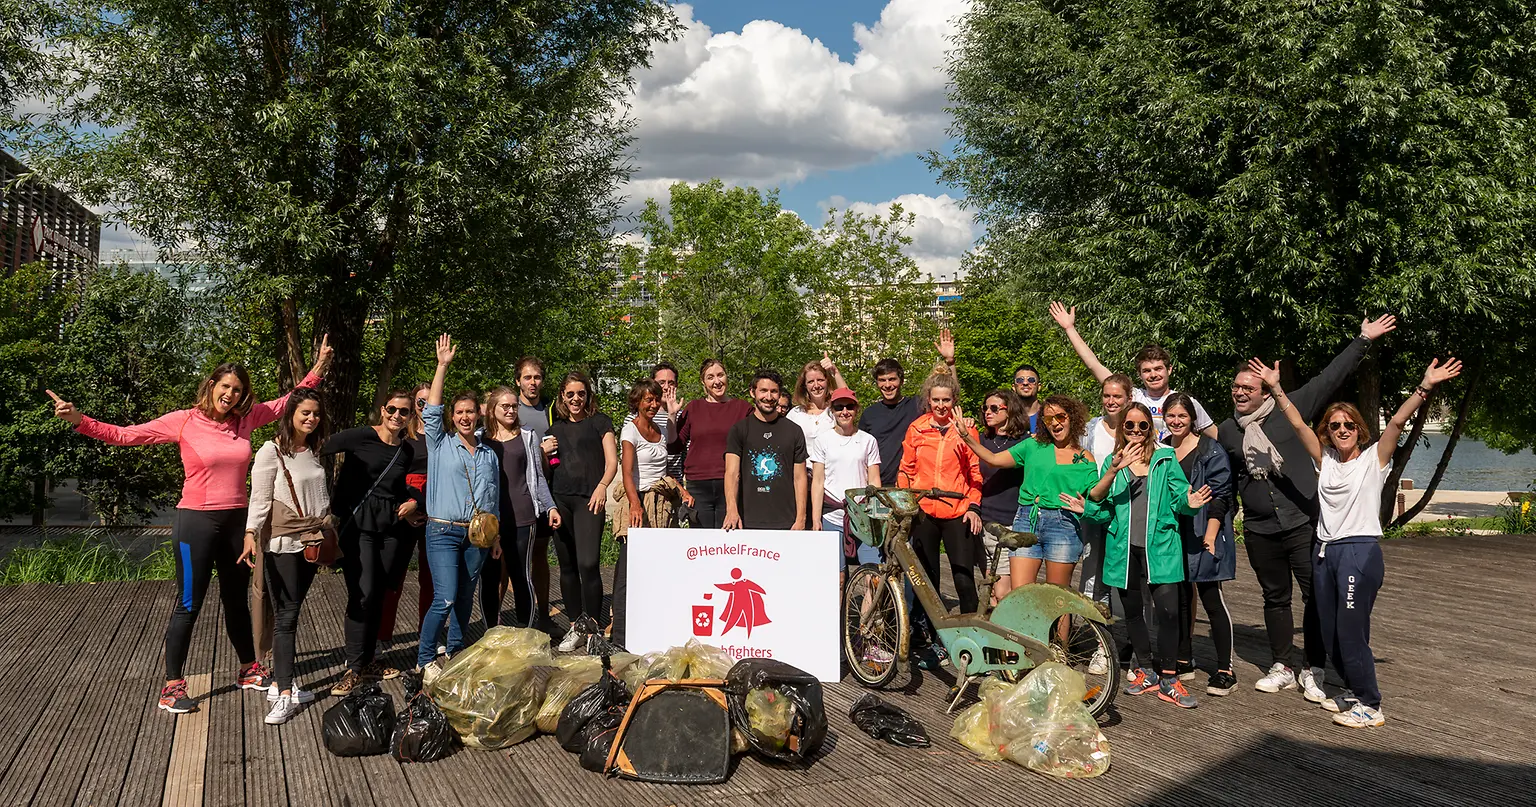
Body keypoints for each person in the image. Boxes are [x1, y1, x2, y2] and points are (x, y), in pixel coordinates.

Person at [49, 338, 332, 714]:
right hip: (195, 521)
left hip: (236, 521)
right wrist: (79, 421)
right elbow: (127, 434)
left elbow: (289, 402)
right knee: (189, 603)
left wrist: (319, 366)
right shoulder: (183, 421)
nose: (230, 395)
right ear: (211, 385)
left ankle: (248, 669)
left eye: (237, 389)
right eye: (225, 387)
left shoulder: (245, 421)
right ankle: (172, 686)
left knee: (236, 599)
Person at [1251, 355, 1461, 728]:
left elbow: (1397, 422)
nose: (1342, 429)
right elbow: (1298, 423)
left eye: (1348, 424)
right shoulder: (1326, 460)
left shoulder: (1373, 459)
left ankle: (1370, 704)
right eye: (1335, 425)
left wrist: (1425, 386)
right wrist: (1275, 388)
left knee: (1350, 631)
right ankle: (1351, 689)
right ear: (1327, 432)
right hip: (1324, 552)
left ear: (1359, 429)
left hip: (1358, 552)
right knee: (1330, 632)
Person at [1219, 315, 1396, 698]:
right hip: (1260, 528)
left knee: (1315, 594)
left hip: (1303, 522)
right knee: (1274, 597)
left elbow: (1331, 377)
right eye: (1235, 387)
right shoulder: (1228, 430)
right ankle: (1282, 663)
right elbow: (1228, 480)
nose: (1240, 392)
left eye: (1249, 386)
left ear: (1265, 391)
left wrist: (1363, 339)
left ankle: (1314, 666)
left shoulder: (1290, 408)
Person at [1078, 402, 1211, 709]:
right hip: (1123, 549)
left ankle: (1169, 677)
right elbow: (1099, 498)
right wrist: (1113, 471)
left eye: (1142, 426)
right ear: (1122, 428)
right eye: (1130, 426)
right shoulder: (1114, 460)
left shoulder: (1165, 458)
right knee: (1133, 613)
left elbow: (1180, 499)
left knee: (1168, 613)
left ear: (1150, 429)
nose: (1136, 431)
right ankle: (1147, 671)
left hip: (1161, 548)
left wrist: (1191, 502)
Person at [962, 394, 1097, 641]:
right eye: (1048, 418)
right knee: (1020, 595)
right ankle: (1023, 653)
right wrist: (966, 437)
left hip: (1063, 524)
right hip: (1027, 520)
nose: (1055, 422)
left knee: (1058, 598)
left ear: (1072, 418)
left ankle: (1059, 655)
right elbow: (993, 459)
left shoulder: (1085, 457)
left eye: (1060, 416)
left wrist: (1106, 479)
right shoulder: (1033, 446)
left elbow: (1096, 497)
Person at [321, 389, 421, 695]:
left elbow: (402, 488)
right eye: (392, 409)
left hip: (390, 527)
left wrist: (414, 502)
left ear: (409, 417)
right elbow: (319, 447)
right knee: (361, 595)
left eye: (404, 412)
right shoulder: (362, 436)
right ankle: (354, 668)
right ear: (382, 409)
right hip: (359, 526)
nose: (396, 416)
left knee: (380, 593)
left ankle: (370, 660)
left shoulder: (406, 450)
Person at [241, 388, 329, 724]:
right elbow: (260, 499)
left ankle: (282, 682)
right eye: (305, 413)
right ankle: (285, 692)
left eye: (316, 414)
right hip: (283, 545)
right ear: (290, 413)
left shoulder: (312, 449)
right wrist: (251, 533)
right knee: (286, 616)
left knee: (291, 613)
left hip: (312, 541)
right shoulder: (271, 451)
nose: (311, 419)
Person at [416, 335, 500, 678]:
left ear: (478, 416)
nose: (465, 417)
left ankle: (455, 650)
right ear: (452, 416)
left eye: (470, 412)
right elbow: (431, 411)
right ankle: (424, 658)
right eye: (459, 412)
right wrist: (442, 366)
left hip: (477, 535)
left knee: (466, 597)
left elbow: (493, 499)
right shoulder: (439, 444)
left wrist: (495, 538)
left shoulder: (488, 454)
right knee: (446, 597)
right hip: (443, 530)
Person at [1049, 302, 1217, 441]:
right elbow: (1094, 365)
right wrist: (1069, 328)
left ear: (1170, 370)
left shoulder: (1186, 402)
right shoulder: (1133, 397)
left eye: (1158, 369)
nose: (1153, 375)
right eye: (1147, 370)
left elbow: (1215, 436)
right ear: (1139, 374)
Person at [1165, 393, 1239, 696]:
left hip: (1203, 531)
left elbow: (1222, 496)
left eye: (1182, 416)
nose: (1176, 421)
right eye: (1171, 416)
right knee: (1180, 597)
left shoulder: (1211, 450)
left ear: (1193, 418)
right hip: (1173, 534)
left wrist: (1210, 534)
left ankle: (1225, 669)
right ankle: (1184, 659)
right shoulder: (1163, 449)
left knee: (1211, 598)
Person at [900, 374, 984, 640]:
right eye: (935, 400)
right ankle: (930, 636)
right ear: (928, 400)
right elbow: (906, 471)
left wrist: (973, 507)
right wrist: (907, 502)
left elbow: (975, 475)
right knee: (927, 579)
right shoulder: (917, 428)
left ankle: (971, 635)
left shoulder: (966, 429)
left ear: (954, 400)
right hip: (924, 510)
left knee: (962, 578)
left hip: (957, 511)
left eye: (946, 400)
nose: (940, 405)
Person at [614, 379, 696, 647]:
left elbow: (665, 469)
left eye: (655, 399)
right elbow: (627, 472)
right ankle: (622, 635)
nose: (652, 404)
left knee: (660, 567)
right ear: (637, 402)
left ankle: (655, 627)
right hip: (638, 501)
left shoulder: (661, 427)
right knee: (629, 567)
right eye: (647, 400)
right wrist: (635, 504)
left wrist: (681, 490)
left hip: (662, 504)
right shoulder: (630, 430)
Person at [480, 386, 561, 630]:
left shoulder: (527, 436)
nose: (510, 410)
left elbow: (537, 476)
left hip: (523, 515)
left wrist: (551, 507)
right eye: (505, 406)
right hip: (490, 517)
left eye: (514, 406)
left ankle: (525, 630)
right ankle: (491, 631)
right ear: (492, 409)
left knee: (520, 574)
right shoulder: (479, 438)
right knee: (490, 576)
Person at [547, 370, 618, 647]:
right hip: (561, 500)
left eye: (580, 393)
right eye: (570, 394)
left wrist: (602, 486)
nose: (576, 399)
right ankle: (576, 624)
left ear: (588, 395)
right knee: (567, 565)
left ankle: (594, 627)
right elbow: (545, 469)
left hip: (590, 499)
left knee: (588, 564)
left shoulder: (600, 422)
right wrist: (543, 452)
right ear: (562, 397)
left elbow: (612, 461)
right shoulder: (555, 430)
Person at [672, 359, 753, 529]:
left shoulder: (743, 408)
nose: (717, 381)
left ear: (727, 377)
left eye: (720, 375)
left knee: (730, 540)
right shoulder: (693, 408)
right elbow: (675, 446)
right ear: (703, 382)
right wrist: (672, 417)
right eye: (710, 377)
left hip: (731, 484)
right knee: (703, 543)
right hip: (698, 485)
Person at [378, 382, 430, 648]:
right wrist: (407, 506)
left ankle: (427, 634)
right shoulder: (402, 435)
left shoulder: (440, 434)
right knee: (393, 575)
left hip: (432, 505)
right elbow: (393, 475)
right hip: (405, 506)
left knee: (430, 577)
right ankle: (382, 635)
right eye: (421, 402)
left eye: (431, 403)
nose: (425, 407)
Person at [723, 370, 807, 531]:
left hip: (786, 521)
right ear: (752, 392)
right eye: (763, 391)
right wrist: (731, 510)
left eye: (774, 391)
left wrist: (801, 518)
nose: (768, 397)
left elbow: (800, 477)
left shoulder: (794, 431)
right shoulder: (739, 430)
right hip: (746, 521)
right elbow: (732, 473)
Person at [809, 387, 882, 568]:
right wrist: (816, 519)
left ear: (856, 409)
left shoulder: (868, 440)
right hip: (832, 515)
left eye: (849, 406)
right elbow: (818, 481)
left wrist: (876, 515)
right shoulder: (822, 440)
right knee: (836, 575)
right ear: (832, 411)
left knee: (872, 572)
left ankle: (869, 599)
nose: (844, 412)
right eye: (839, 407)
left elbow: (874, 480)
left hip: (863, 515)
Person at [1079, 375, 1133, 608]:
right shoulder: (1090, 428)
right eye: (1107, 395)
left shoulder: (1136, 428)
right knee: (1092, 569)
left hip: (1126, 506)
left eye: (1117, 396)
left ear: (1128, 399)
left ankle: (1130, 634)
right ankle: (1094, 631)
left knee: (1127, 570)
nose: (1111, 401)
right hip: (1095, 505)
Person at [970, 389, 1029, 601]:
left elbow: (995, 460)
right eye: (985, 408)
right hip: (983, 521)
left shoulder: (1024, 443)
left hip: (1009, 522)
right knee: (990, 590)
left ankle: (1011, 633)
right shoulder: (983, 439)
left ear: (1010, 410)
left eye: (994, 408)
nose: (988, 412)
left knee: (1004, 591)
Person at [514, 356, 558, 629]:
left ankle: (543, 616)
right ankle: (505, 623)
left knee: (540, 555)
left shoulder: (551, 410)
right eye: (527, 377)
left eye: (537, 377)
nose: (533, 383)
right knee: (510, 559)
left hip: (546, 493)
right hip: (518, 494)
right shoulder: (509, 409)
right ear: (517, 380)